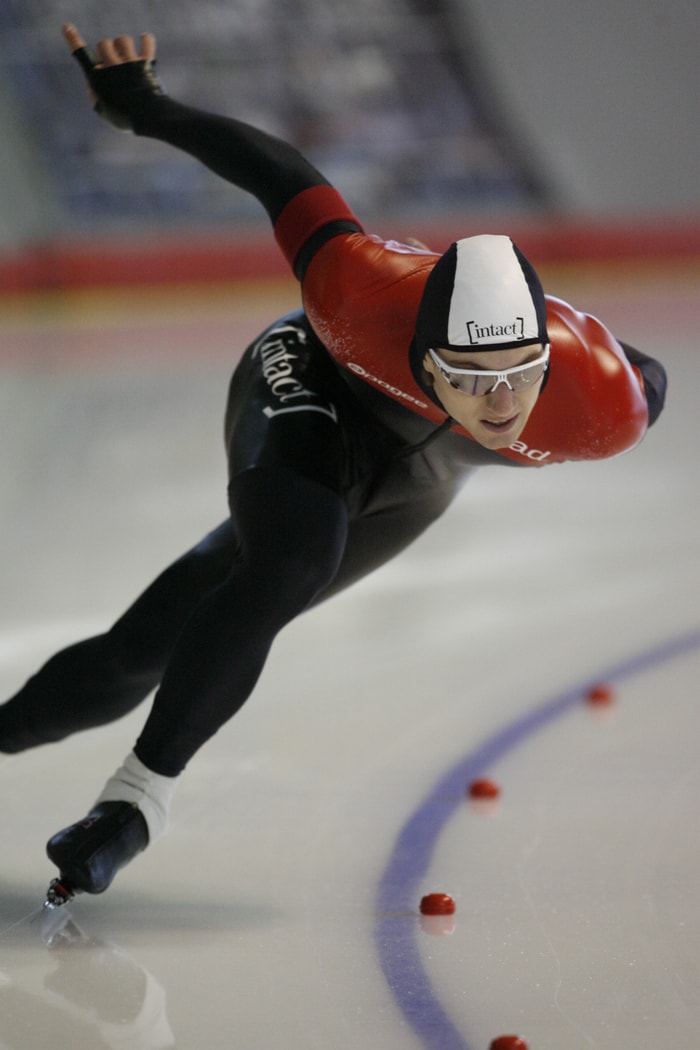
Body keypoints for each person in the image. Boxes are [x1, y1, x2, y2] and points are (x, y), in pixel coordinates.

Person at [1, 25, 666, 903]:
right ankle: (137, 803)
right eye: (470, 378)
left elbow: (632, 376)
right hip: (316, 381)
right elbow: (280, 173)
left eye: (520, 375)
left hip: (421, 480)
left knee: (143, 649)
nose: (501, 404)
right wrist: (148, 109)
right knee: (293, 559)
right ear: (422, 357)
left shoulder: (603, 403)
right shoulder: (360, 290)